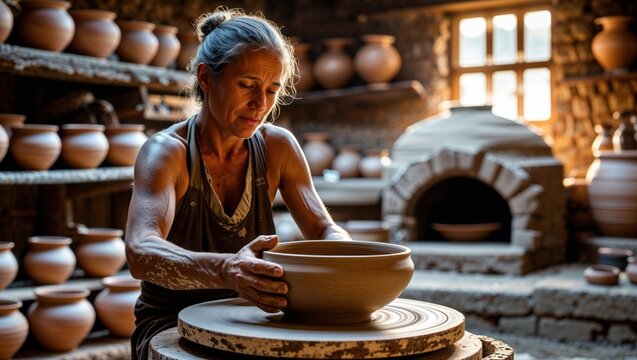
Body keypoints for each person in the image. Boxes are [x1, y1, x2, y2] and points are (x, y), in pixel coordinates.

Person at [124, 6, 350, 359]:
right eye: (247, 85)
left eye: (272, 90)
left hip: (252, 319)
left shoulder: (278, 147)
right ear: (206, 78)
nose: (260, 104)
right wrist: (228, 270)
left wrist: (346, 254)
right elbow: (141, 253)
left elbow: (324, 229)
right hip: (172, 323)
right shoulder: (167, 153)